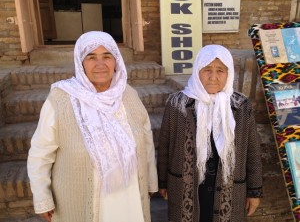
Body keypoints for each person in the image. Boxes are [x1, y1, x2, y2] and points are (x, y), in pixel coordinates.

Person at [27, 31, 158, 222]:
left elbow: (146, 141)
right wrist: (42, 197)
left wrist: (150, 182)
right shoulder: (60, 99)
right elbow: (40, 153)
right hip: (84, 199)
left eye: (107, 56)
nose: (100, 64)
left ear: (116, 61)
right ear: (81, 63)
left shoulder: (128, 94)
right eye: (91, 57)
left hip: (129, 199)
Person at [157, 44, 262, 222]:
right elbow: (165, 145)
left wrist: (254, 191)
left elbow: (252, 151)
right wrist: (163, 182)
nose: (213, 77)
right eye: (207, 69)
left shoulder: (241, 106)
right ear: (197, 70)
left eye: (220, 70)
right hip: (185, 188)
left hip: (228, 190)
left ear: (229, 73)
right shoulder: (177, 103)